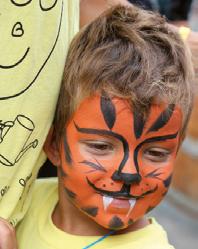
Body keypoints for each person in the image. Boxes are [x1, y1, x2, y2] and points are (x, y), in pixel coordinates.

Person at [16, 4, 194, 249]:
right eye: (101, 146)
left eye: (155, 152)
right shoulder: (22, 201)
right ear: (54, 144)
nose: (129, 173)